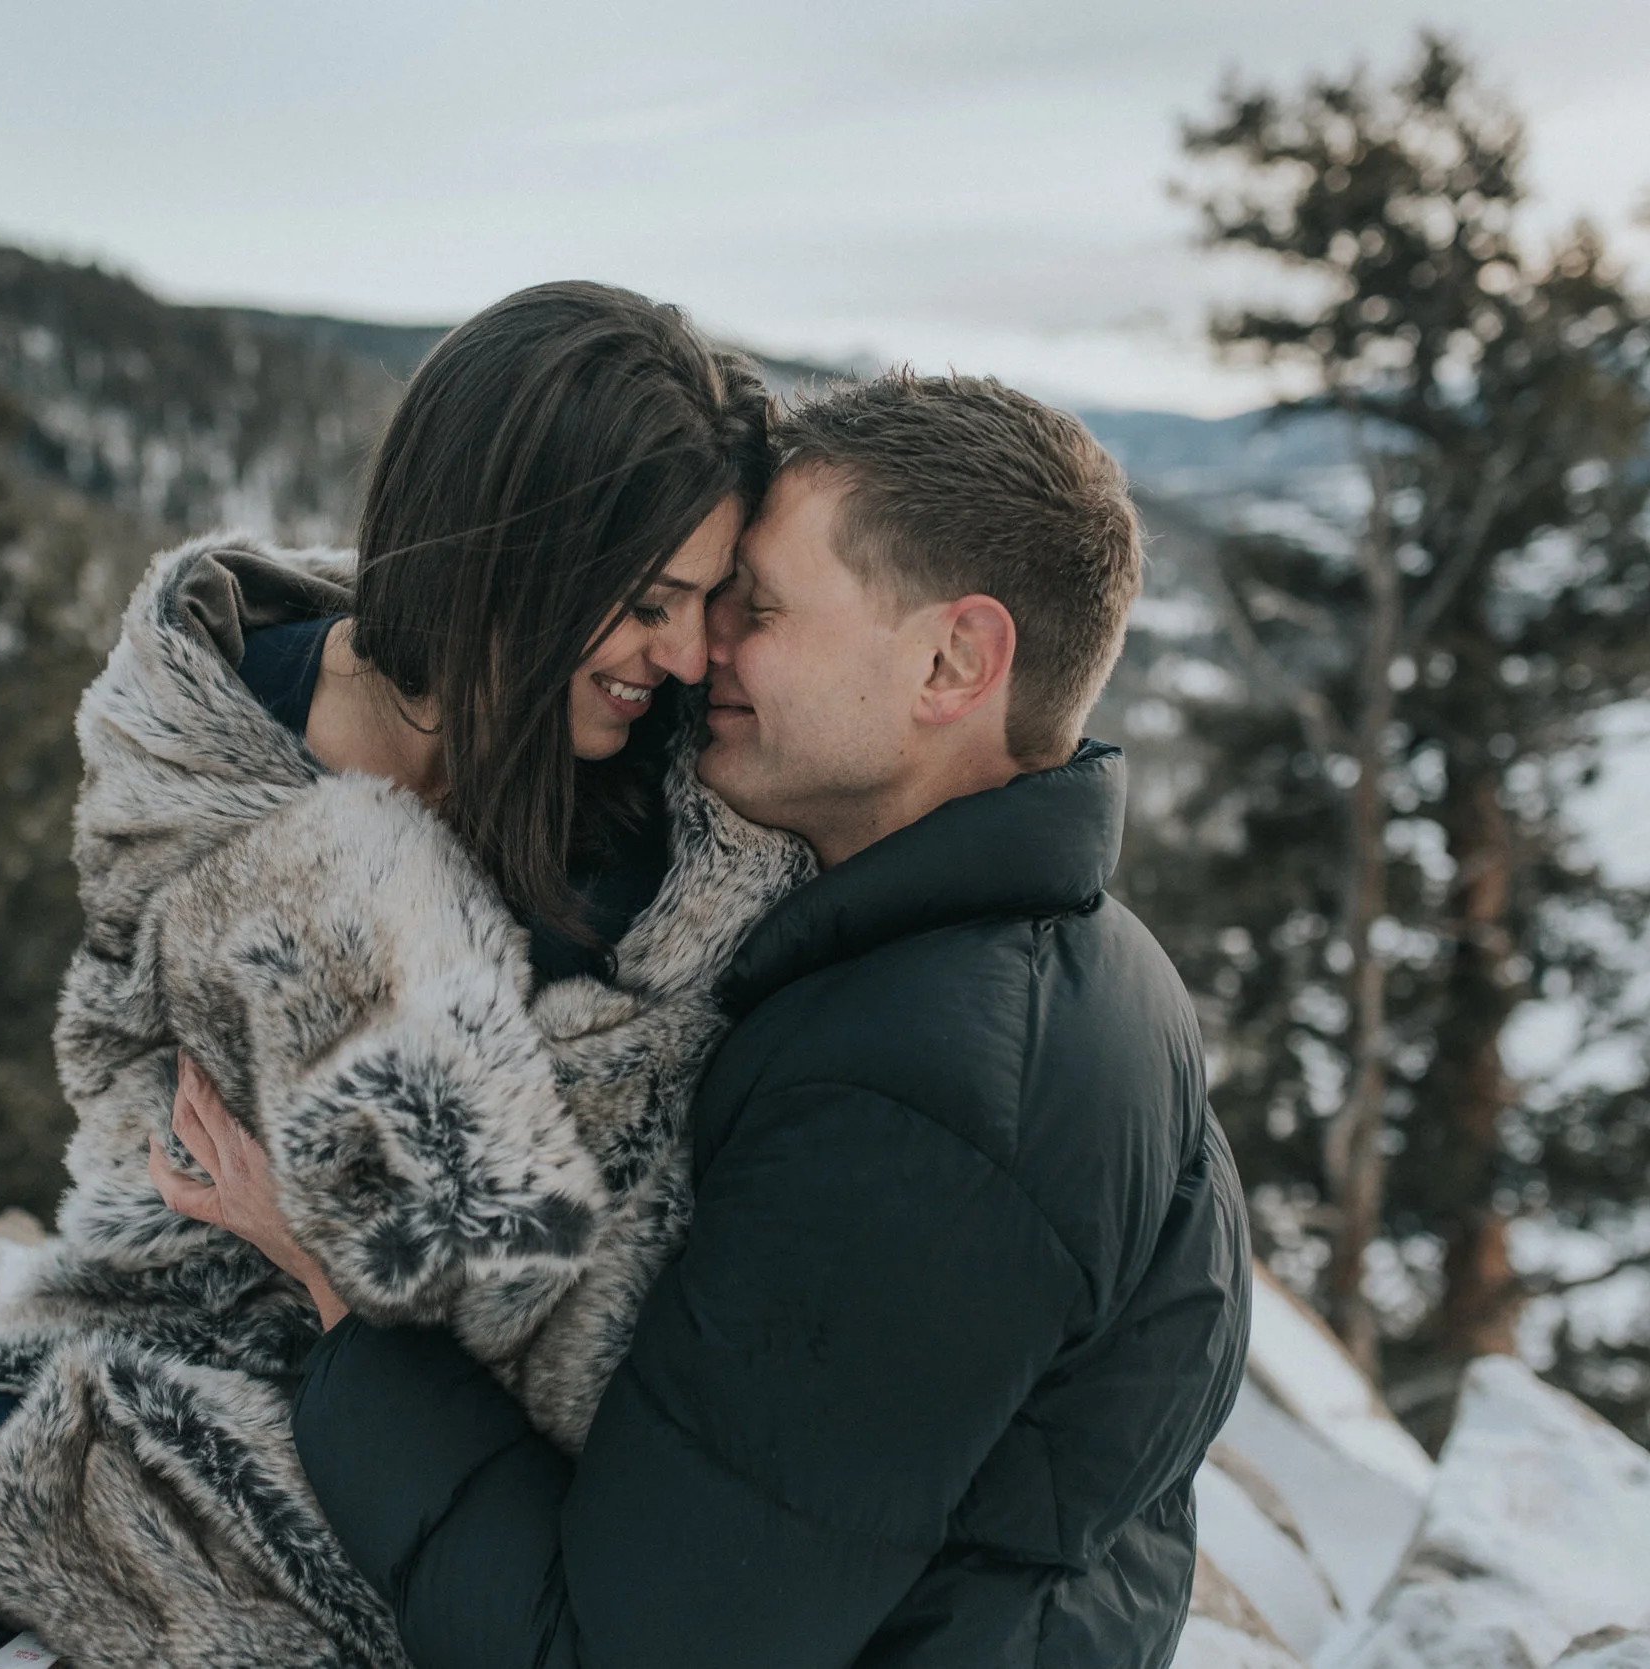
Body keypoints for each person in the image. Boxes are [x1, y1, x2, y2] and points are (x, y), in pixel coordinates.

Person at [0, 280, 807, 1669]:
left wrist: (314, 1233)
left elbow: (551, 1283)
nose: (683, 653)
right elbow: (138, 1059)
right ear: (513, 559)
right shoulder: (227, 717)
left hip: (362, 1449)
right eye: (648, 601)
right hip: (121, 1327)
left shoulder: (654, 846)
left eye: (708, 603)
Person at [163, 370, 1254, 1668]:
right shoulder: (1062, 955)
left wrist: (343, 1289)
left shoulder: (924, 1109)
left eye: (761, 607)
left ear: (955, 660)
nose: (701, 650)